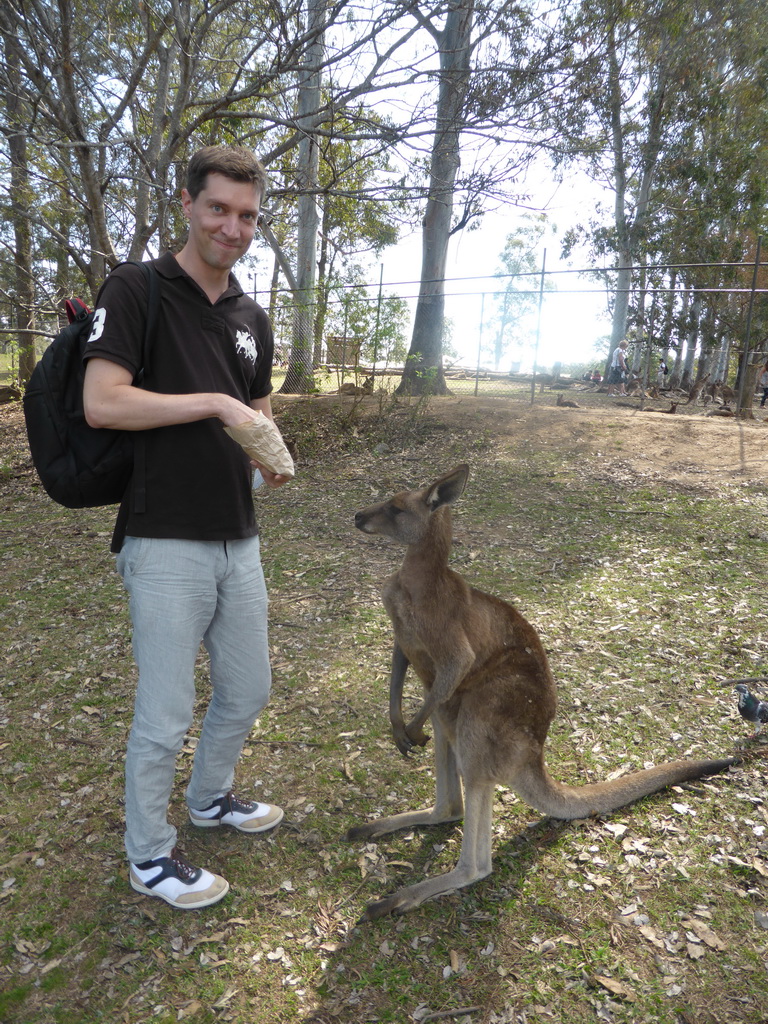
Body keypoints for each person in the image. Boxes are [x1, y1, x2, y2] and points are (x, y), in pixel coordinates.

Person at [83, 145, 290, 910]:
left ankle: (210, 800)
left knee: (247, 689)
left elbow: (256, 412)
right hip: (163, 536)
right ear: (186, 203)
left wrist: (266, 448)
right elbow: (104, 401)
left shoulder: (250, 316)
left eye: (247, 216)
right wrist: (212, 402)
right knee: (165, 713)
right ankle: (148, 855)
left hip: (238, 536)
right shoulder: (138, 289)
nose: (232, 228)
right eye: (218, 209)